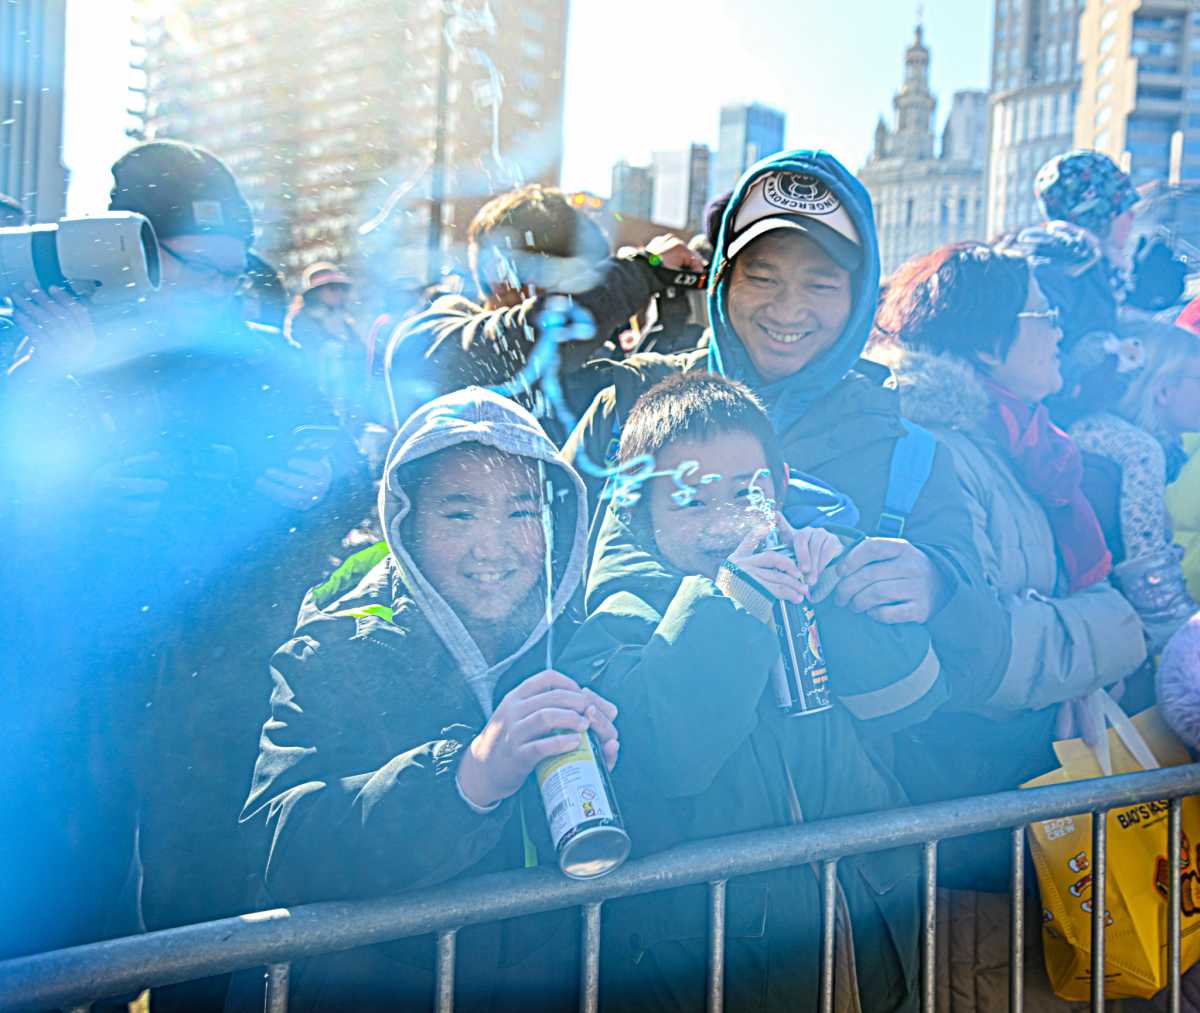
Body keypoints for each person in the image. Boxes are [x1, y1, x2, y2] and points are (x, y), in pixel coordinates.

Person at [2, 141, 369, 997]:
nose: (222, 293)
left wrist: (315, 483)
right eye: (201, 270)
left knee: (195, 945)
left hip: (215, 710)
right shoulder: (39, 339)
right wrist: (50, 389)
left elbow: (352, 475)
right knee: (52, 951)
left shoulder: (256, 358)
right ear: (125, 249)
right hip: (60, 721)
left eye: (235, 274)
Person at [566, 149, 1003, 713]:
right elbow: (543, 600)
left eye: (820, 285)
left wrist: (942, 588)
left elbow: (985, 665)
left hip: (832, 797)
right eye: (763, 277)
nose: (787, 309)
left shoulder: (908, 454)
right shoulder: (627, 409)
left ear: (860, 295)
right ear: (723, 277)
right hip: (646, 785)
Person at [560, 372, 945, 1011]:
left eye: (746, 494)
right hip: (720, 963)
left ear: (783, 487)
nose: (723, 525)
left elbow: (909, 698)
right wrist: (729, 602)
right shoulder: (618, 619)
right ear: (639, 512)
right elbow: (673, 757)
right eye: (689, 501)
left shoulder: (797, 570)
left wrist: (837, 584)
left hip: (867, 933)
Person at [238, 386, 617, 1009]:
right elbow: (282, 845)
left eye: (521, 513)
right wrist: (464, 778)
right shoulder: (334, 650)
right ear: (405, 522)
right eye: (460, 515)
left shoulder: (580, 644)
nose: (492, 547)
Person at [872, 241, 1149, 1010]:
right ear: (986, 335)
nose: (1058, 328)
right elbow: (983, 644)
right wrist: (1111, 631)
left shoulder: (1018, 444)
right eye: (1042, 313)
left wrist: (1067, 641)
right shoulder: (941, 451)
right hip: (972, 836)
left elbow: (1027, 617)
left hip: (1030, 817)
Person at [385, 183, 705, 440]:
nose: (588, 292)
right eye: (580, 279)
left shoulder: (592, 360)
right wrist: (642, 270)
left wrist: (666, 323)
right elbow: (523, 341)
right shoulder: (430, 338)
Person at [1059, 318, 1200, 652]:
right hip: (1105, 646)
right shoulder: (1121, 464)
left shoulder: (1153, 452)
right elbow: (1131, 570)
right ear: (1163, 390)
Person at [999, 150, 1138, 360]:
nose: (1132, 215)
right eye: (1122, 207)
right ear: (1096, 216)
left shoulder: (1092, 266)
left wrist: (1144, 298)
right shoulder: (1052, 268)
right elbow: (1037, 363)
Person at [286, 261, 379, 430]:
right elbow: (311, 354)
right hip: (321, 390)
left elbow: (361, 350)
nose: (338, 293)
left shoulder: (345, 319)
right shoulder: (302, 320)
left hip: (350, 392)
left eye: (341, 288)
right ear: (316, 293)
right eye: (331, 288)